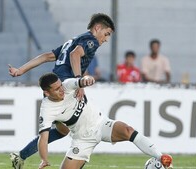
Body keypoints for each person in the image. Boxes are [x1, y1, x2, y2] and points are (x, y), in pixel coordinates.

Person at [8, 13, 115, 169]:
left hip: (54, 85)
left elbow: (46, 56)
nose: (106, 39)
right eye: (106, 34)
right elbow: (75, 55)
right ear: (97, 28)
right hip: (63, 87)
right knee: (85, 124)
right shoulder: (91, 41)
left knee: (62, 130)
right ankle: (75, 158)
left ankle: (20, 156)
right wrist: (79, 82)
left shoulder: (73, 40)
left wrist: (20, 70)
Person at [37, 73, 173, 169]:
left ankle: (162, 159)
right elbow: (43, 138)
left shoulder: (66, 86)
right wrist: (44, 159)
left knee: (128, 130)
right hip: (83, 139)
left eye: (60, 85)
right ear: (47, 93)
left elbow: (82, 80)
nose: (61, 90)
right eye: (56, 89)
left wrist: (88, 80)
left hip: (101, 123)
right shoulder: (47, 110)